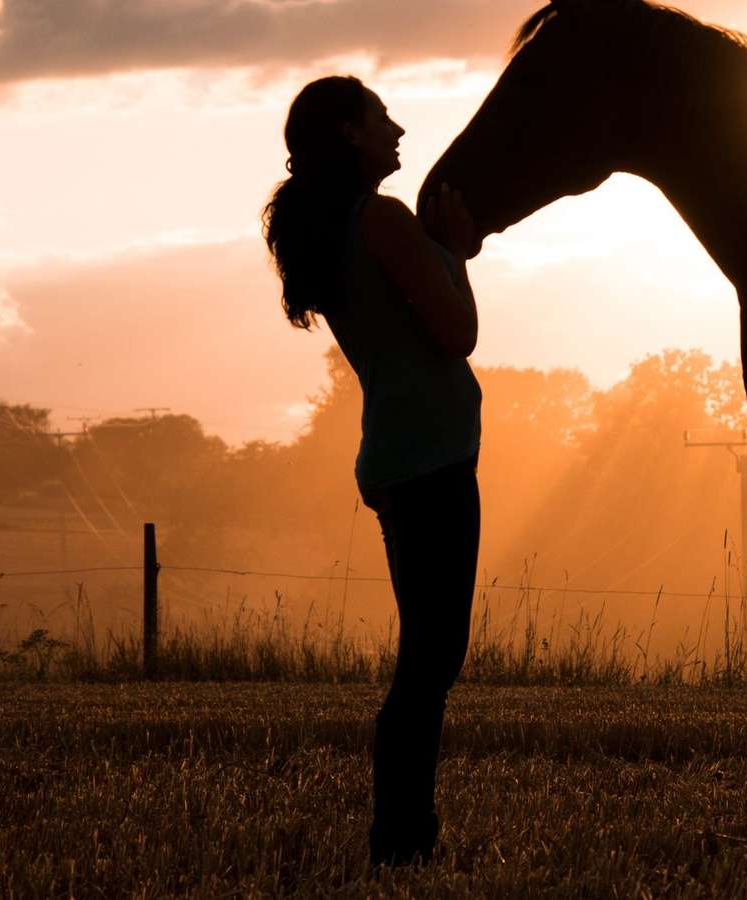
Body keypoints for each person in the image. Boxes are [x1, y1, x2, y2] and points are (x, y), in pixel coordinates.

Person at [261, 75, 482, 867]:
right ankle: (401, 838)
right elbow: (456, 333)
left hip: (400, 452)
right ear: (351, 134)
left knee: (427, 653)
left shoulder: (344, 224)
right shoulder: (382, 221)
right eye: (380, 117)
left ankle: (404, 834)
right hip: (430, 458)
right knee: (432, 657)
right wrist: (457, 251)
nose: (397, 129)